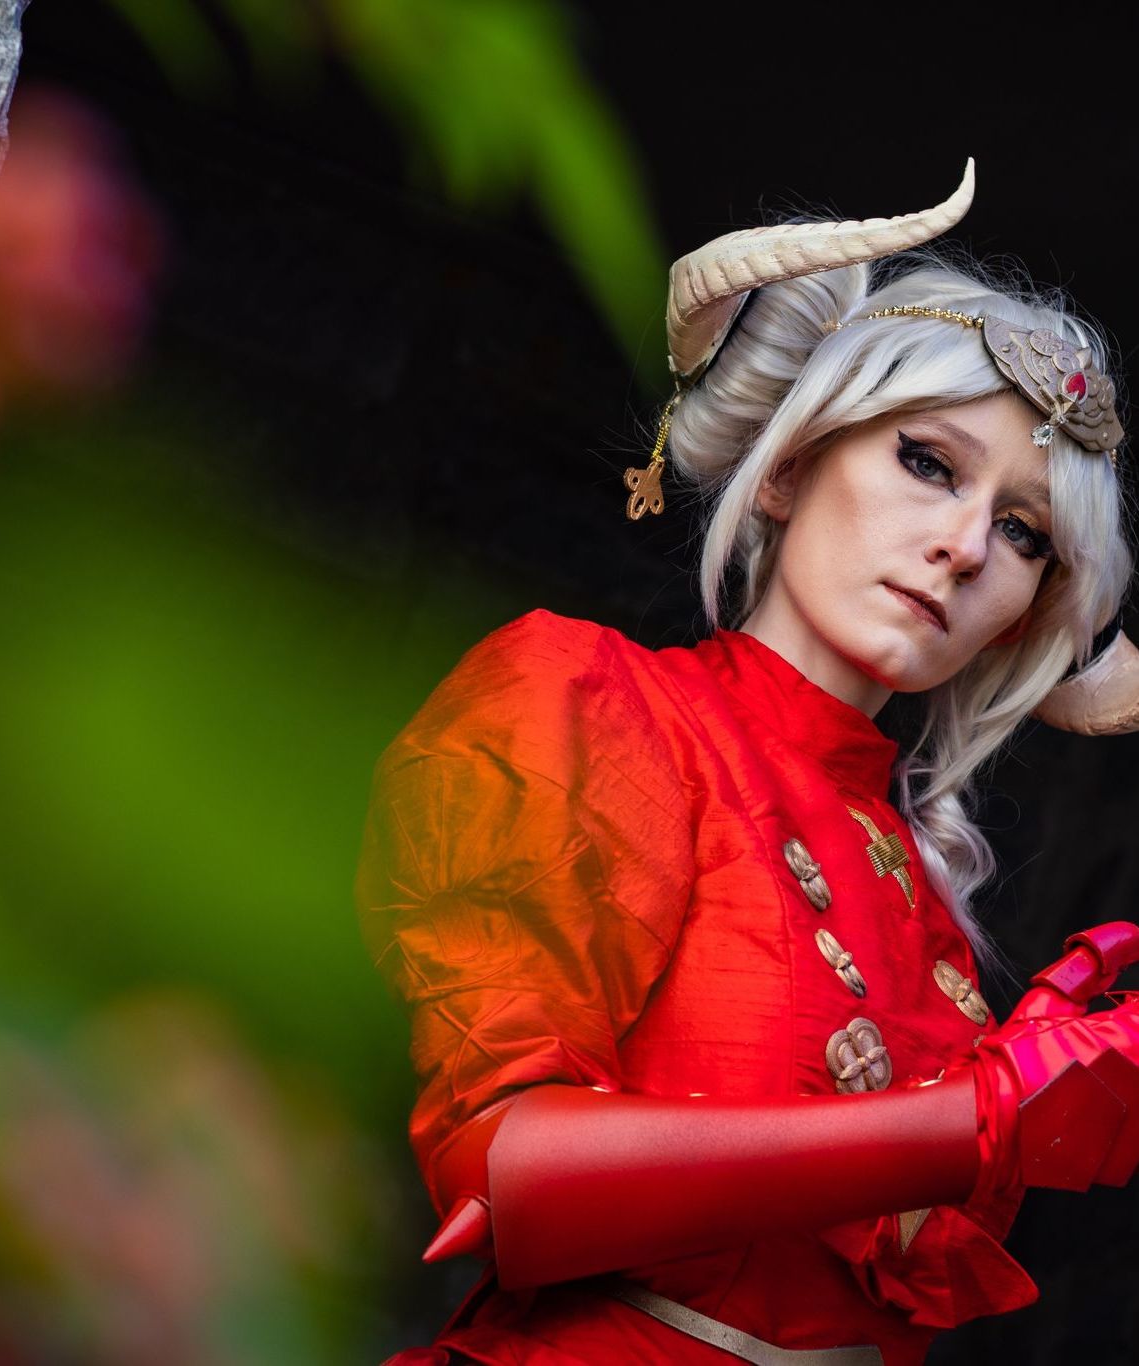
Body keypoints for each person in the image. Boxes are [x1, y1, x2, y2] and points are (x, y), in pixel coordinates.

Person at [355, 160, 1139, 1365]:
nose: (963, 544)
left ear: (1029, 611)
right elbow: (500, 1179)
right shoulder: (592, 705)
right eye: (926, 462)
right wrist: (972, 1117)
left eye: (1024, 531)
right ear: (783, 468)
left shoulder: (929, 915)